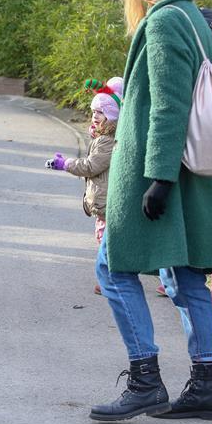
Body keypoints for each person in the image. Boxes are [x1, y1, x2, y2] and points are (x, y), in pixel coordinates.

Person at [89, 0, 212, 423]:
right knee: (187, 277)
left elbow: (170, 106)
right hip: (192, 173)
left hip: (166, 176)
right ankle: (205, 386)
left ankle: (145, 380)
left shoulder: (161, 23)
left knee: (111, 269)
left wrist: (157, 179)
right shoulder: (192, 15)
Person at [46, 77, 123, 295]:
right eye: (93, 112)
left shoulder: (108, 141)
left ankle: (111, 281)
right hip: (101, 200)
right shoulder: (103, 137)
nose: (94, 117)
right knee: (103, 239)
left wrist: (66, 164)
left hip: (107, 199)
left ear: (112, 116)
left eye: (100, 112)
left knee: (107, 243)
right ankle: (110, 279)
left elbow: (91, 166)